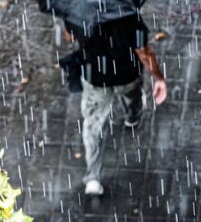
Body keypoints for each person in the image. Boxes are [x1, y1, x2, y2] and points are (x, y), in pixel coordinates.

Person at [62, 14, 167, 196]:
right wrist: (158, 77)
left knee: (93, 124)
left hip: (95, 76)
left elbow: (69, 37)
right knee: (131, 96)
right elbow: (143, 52)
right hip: (127, 73)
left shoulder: (77, 10)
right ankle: (132, 118)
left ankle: (93, 178)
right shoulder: (127, 14)